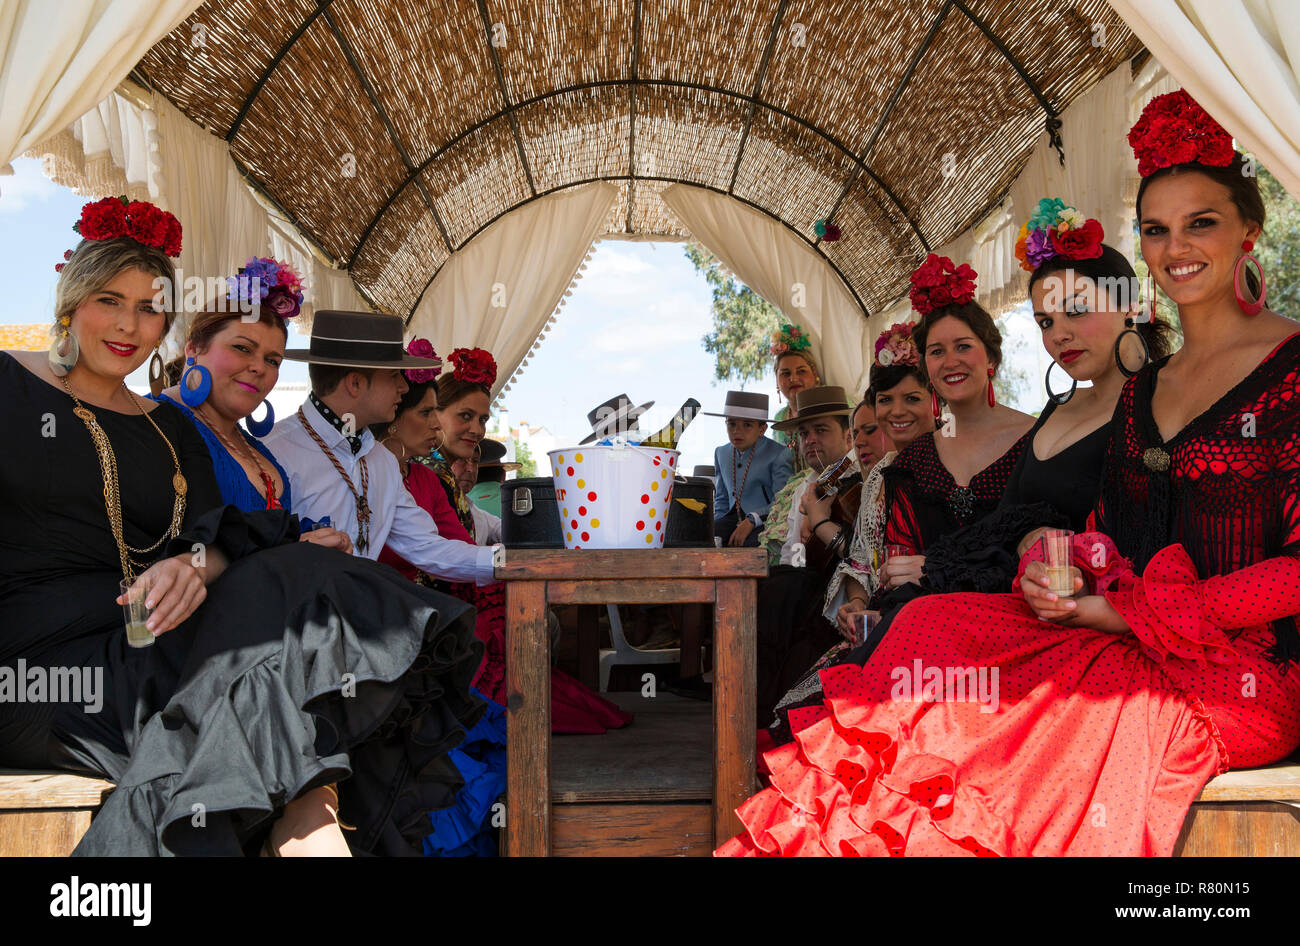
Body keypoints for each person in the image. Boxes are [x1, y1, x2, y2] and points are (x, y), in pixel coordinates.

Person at [718, 90, 1300, 857]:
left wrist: (1129, 615)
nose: (1175, 245)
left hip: (1240, 667)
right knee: (923, 627)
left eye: (1202, 222)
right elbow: (1099, 532)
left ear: (1249, 231)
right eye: (1156, 228)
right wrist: (1046, 567)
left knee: (1022, 721)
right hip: (1123, 627)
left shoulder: (1287, 366)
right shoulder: (1145, 389)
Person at [1, 198, 485, 857]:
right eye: (109, 300)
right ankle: (311, 824)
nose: (128, 324)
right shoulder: (11, 385)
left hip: (150, 636)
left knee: (304, 572)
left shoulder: (169, 426)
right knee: (279, 620)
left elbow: (216, 534)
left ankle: (309, 816)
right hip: (41, 667)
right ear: (72, 300)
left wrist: (190, 563)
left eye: (149, 308)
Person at [424, 347, 633, 734]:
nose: (476, 429)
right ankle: (520, 723)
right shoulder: (421, 477)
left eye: (483, 419)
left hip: (456, 599)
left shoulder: (451, 486)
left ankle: (528, 714)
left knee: (536, 618)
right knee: (532, 620)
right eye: (465, 416)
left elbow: (496, 528)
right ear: (434, 414)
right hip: (435, 608)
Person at [367, 342, 505, 856]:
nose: (437, 425)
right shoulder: (370, 464)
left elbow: (452, 550)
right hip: (384, 618)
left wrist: (502, 566)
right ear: (394, 414)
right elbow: (429, 553)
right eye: (429, 413)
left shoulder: (422, 475)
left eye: (480, 419)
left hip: (427, 609)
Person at [262, 312, 497, 583]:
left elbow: (428, 547)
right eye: (395, 375)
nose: (402, 387)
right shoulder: (274, 451)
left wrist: (505, 562)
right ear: (355, 383)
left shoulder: (381, 461)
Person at [149, 257, 354, 553]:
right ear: (193, 348)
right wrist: (288, 545)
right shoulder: (155, 423)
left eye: (273, 360)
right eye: (242, 348)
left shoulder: (254, 447)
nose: (259, 368)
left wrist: (318, 538)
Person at [874, 256, 1036, 591]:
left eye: (963, 346)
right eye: (936, 351)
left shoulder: (1038, 442)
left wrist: (940, 569)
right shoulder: (914, 462)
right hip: (924, 619)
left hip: (1016, 616)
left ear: (990, 357)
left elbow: (1050, 553)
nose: (950, 362)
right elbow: (899, 561)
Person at [750, 387, 857, 722]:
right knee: (776, 585)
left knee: (781, 590)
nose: (810, 439)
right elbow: (795, 558)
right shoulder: (804, 486)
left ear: (848, 436)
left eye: (821, 430)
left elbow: (861, 551)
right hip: (808, 592)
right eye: (804, 433)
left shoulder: (858, 478)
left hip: (847, 594)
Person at [706, 391, 794, 547]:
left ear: (762, 429)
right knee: (704, 539)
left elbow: (783, 501)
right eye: (732, 423)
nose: (737, 431)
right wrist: (716, 529)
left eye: (747, 425)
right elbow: (722, 499)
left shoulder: (779, 454)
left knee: (751, 546)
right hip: (730, 519)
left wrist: (753, 519)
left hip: (766, 520)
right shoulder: (721, 453)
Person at [768, 323, 820, 451]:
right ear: (777, 379)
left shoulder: (835, 401)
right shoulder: (780, 418)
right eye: (785, 373)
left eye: (801, 371)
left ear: (814, 373)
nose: (793, 378)